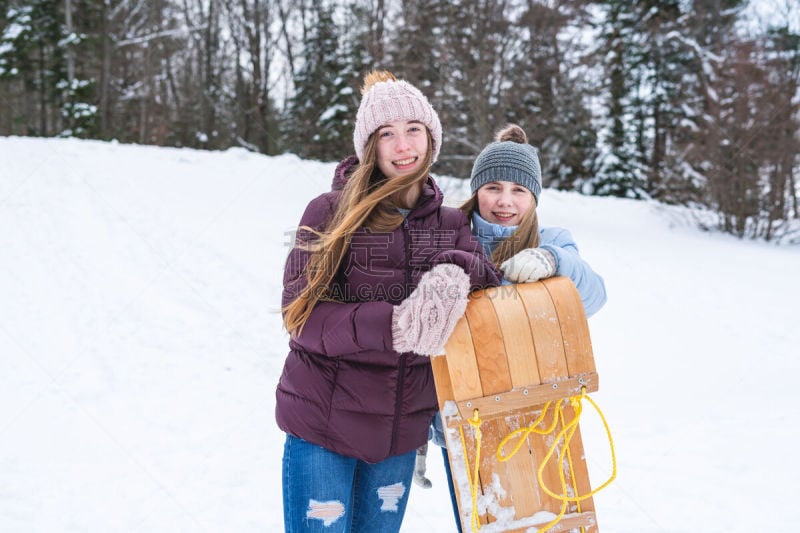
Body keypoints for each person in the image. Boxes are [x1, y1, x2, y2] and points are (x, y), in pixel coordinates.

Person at [276, 70, 502, 533]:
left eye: (413, 131)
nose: (403, 147)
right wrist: (392, 324)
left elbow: (490, 284)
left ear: (431, 138)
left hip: (398, 438)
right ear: (370, 147)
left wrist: (456, 268)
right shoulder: (328, 211)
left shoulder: (451, 222)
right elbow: (301, 316)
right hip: (323, 427)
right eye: (388, 134)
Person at [412, 124, 607, 531]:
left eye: (519, 191)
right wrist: (417, 426)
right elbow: (421, 338)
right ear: (476, 189)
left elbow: (593, 296)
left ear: (534, 197)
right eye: (493, 188)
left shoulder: (553, 240)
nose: (504, 201)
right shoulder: (447, 237)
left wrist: (555, 261)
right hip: (464, 423)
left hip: (536, 418)